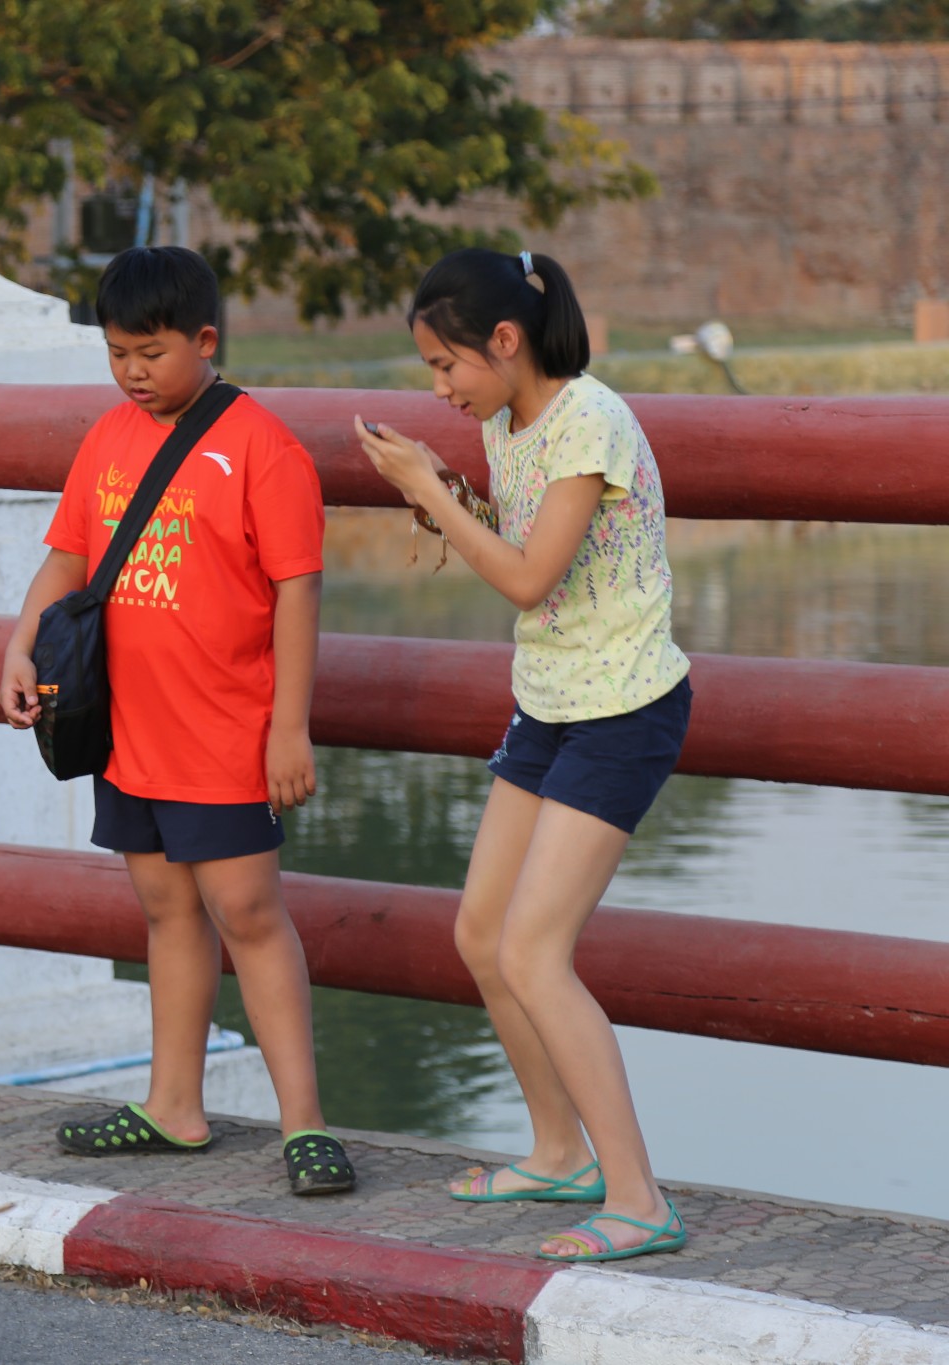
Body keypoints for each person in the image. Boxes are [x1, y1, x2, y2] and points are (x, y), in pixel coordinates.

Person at [356, 248, 692, 1262]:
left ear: (503, 341)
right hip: (547, 702)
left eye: (443, 365)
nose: (438, 387)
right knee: (478, 934)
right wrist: (444, 492)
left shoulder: (587, 419)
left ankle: (637, 1197)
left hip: (623, 706)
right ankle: (557, 1153)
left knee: (534, 953)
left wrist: (429, 487)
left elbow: (529, 579)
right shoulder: (508, 423)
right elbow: (522, 540)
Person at [0, 246, 354, 1196]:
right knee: (164, 909)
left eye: (151, 352)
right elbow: (68, 559)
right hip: (127, 725)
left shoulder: (262, 449)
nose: (132, 372)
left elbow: (297, 592)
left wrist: (290, 725)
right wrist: (18, 647)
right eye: (118, 353)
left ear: (205, 340)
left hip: (226, 728)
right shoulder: (109, 437)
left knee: (248, 912)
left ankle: (305, 1123)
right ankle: (173, 1105)